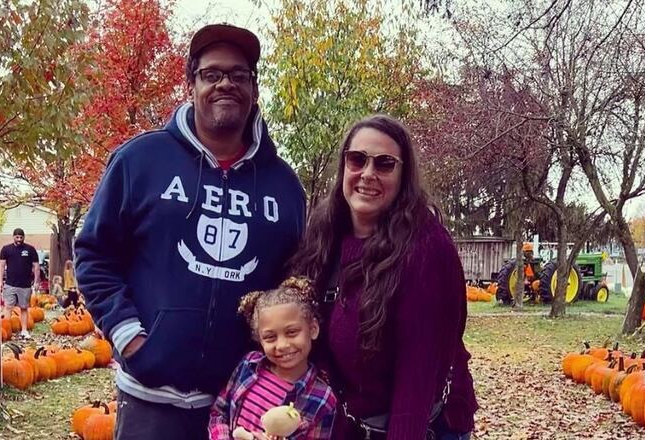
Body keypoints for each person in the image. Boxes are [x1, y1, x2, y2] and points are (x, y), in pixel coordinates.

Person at [74, 23, 306, 440]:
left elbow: (292, 283)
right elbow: (94, 254)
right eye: (212, 74)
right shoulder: (139, 161)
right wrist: (131, 339)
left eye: (239, 75)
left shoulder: (284, 186)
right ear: (190, 84)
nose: (226, 84)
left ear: (254, 88)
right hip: (149, 400)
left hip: (243, 403)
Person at [290, 115, 478, 439]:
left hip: (416, 424)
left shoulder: (427, 248)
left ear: (404, 175)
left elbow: (418, 374)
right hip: (351, 422)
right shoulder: (325, 233)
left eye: (385, 164)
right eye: (357, 159)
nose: (368, 174)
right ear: (344, 166)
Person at [209, 277, 336, 440]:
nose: (282, 345)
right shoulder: (248, 365)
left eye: (292, 332)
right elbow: (219, 413)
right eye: (270, 337)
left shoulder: (323, 399)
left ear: (313, 329)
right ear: (259, 339)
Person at [0, 228, 40, 339]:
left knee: (24, 308)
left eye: (21, 237)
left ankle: (24, 330)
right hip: (10, 284)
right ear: (13, 237)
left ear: (24, 237)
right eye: (17, 237)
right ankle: (7, 331)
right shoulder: (6, 249)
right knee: (8, 307)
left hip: (25, 285)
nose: (19, 239)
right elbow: (2, 266)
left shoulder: (30, 249)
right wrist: (0, 281)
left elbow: (36, 266)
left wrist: (36, 281)